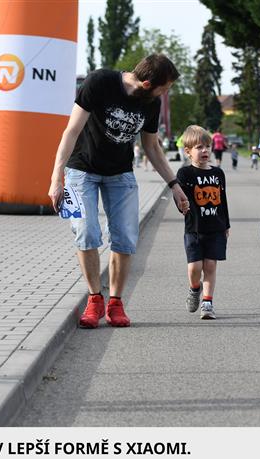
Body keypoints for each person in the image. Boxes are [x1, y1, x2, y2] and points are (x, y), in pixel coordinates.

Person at [48, 54, 189, 329]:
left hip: (121, 174)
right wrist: (57, 177)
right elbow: (71, 131)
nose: (165, 93)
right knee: (85, 231)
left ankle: (115, 303)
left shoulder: (152, 102)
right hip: (80, 170)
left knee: (125, 237)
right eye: (164, 88)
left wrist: (174, 185)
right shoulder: (99, 82)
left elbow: (151, 147)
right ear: (147, 84)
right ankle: (94, 300)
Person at [176, 125, 230, 320]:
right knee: (194, 267)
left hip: (216, 228)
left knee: (210, 266)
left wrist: (226, 224)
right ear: (188, 151)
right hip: (194, 229)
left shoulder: (218, 173)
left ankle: (207, 303)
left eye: (207, 146)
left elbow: (223, 201)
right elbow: (179, 197)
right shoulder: (185, 174)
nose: (205, 150)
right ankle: (194, 288)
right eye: (199, 147)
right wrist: (181, 205)